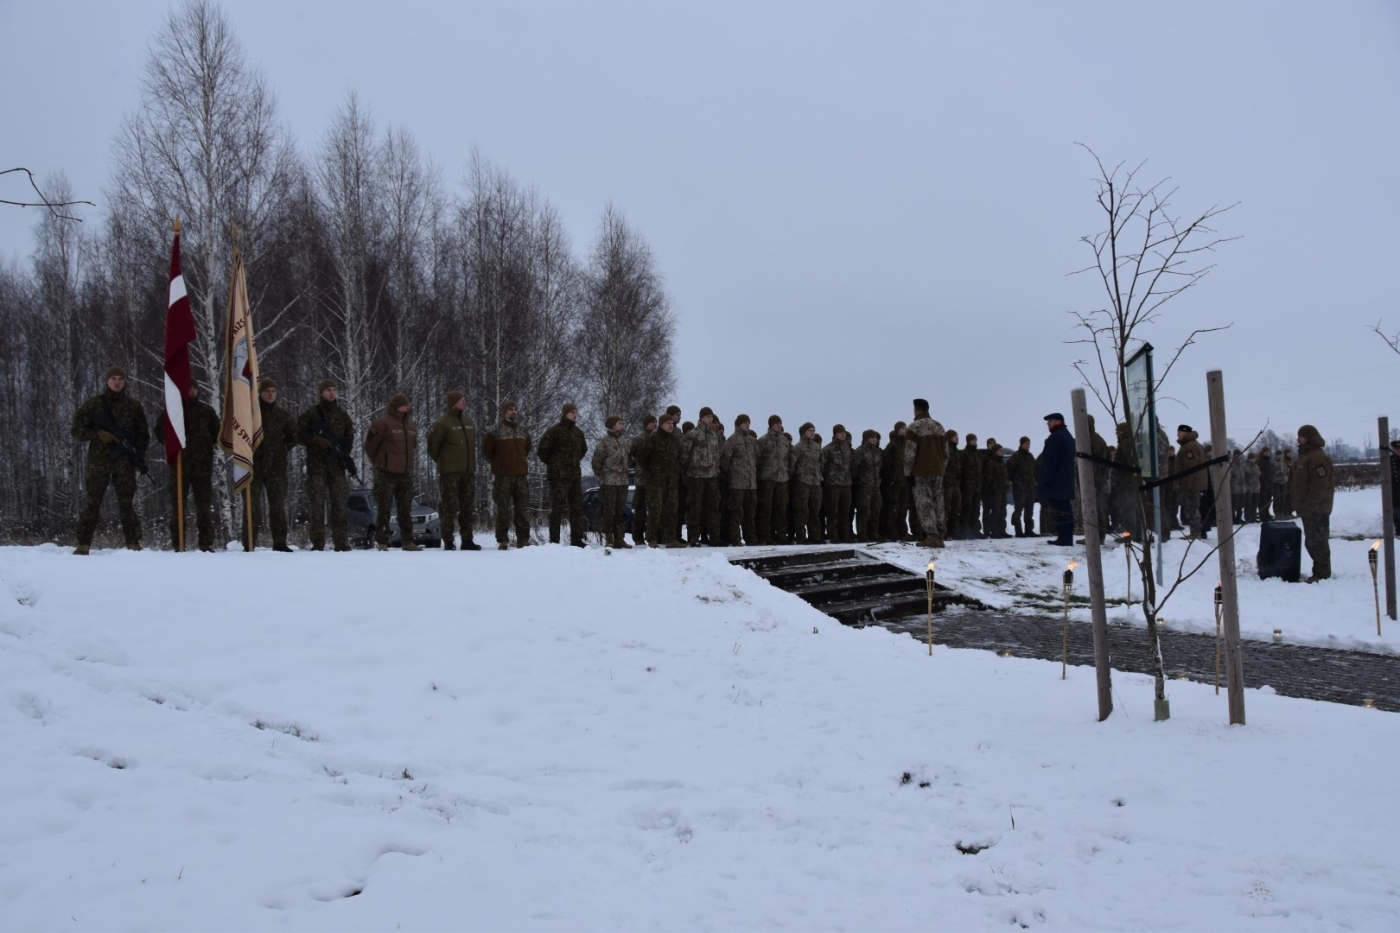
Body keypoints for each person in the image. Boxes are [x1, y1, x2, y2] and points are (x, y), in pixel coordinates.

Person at [72, 365, 150, 554]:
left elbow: (142, 435)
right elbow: (76, 430)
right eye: (113, 378)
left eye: (120, 379)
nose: (117, 382)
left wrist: (139, 458)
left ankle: (133, 542)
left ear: (125, 382)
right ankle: (83, 543)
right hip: (98, 462)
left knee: (126, 503)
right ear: (107, 381)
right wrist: (97, 434)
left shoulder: (133, 406)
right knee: (93, 502)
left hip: (124, 462)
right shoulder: (94, 404)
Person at [154, 383, 220, 551]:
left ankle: (205, 543)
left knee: (203, 507)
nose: (191, 390)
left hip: (202, 467)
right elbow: (159, 432)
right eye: (188, 387)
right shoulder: (173, 411)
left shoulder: (207, 411)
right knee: (178, 506)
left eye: (194, 388)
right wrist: (171, 441)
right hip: (179, 465)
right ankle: (178, 543)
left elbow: (217, 434)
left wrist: (204, 447)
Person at [297, 378, 355, 552]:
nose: (332, 393)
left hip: (336, 468)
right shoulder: (312, 414)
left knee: (339, 504)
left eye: (334, 390)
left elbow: (348, 438)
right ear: (321, 393)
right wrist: (316, 440)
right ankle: (318, 542)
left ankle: (341, 542)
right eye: (328, 390)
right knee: (317, 505)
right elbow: (298, 434)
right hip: (317, 467)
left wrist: (343, 455)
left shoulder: (342, 415)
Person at [364, 392, 420, 551]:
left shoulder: (411, 425)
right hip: (386, 473)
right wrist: (380, 462)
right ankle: (382, 541)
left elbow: (413, 446)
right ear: (396, 407)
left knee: (405, 508)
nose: (408, 407)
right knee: (384, 507)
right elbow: (370, 446)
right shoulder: (381, 423)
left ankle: (408, 541)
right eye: (405, 404)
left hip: (405, 473)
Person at [426, 390, 480, 551]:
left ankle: (467, 539)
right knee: (449, 507)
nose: (464, 402)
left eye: (464, 399)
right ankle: (448, 540)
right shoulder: (442, 423)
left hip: (468, 473)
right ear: (453, 402)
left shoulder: (468, 421)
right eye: (461, 400)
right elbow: (432, 447)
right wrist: (445, 462)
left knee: (467, 507)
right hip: (450, 474)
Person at [251, 377, 297, 552]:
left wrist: (281, 448)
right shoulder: (251, 415)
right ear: (260, 393)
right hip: (253, 467)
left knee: (277, 506)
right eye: (267, 391)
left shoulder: (283, 415)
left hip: (276, 469)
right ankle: (249, 541)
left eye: (273, 391)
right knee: (252, 507)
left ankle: (279, 542)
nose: (270, 394)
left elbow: (294, 436)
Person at [484, 400, 532, 549]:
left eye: (515, 409)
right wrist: (499, 465)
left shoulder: (523, 430)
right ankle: (503, 540)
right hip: (503, 476)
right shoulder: (495, 431)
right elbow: (487, 451)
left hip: (521, 476)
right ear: (505, 412)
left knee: (522, 509)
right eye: (510, 409)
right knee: (503, 509)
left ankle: (523, 539)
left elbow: (527, 448)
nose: (514, 412)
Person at [537, 403, 587, 546]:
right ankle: (554, 540)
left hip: (575, 476)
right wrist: (555, 464)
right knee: (557, 508)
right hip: (558, 477)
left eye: (576, 412)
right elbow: (542, 451)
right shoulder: (554, 432)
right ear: (565, 413)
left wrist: (572, 463)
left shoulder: (578, 433)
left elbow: (583, 450)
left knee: (576, 507)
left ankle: (577, 539)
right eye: (572, 412)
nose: (575, 415)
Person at [1293, 425, 1335, 583]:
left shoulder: (1316, 457)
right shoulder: (1306, 456)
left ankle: (1322, 574)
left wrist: (1310, 505)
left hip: (1316, 509)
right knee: (1312, 541)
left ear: (1309, 437)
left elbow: (1320, 485)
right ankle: (1320, 572)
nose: (1298, 439)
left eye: (1301, 436)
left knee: (1317, 542)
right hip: (1310, 508)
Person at [904, 398, 947, 548]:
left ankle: (932, 536)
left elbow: (910, 453)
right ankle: (940, 534)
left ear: (916, 409)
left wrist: (907, 473)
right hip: (938, 471)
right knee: (938, 503)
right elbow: (946, 453)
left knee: (925, 503)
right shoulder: (939, 427)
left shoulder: (914, 427)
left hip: (921, 472)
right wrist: (941, 468)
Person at [681, 406, 723, 546]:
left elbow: (717, 455)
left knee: (713, 507)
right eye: (708, 416)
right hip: (696, 476)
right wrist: (690, 469)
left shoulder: (713, 436)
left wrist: (715, 469)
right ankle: (693, 538)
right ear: (701, 417)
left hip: (711, 476)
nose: (710, 419)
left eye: (712, 416)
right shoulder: (693, 434)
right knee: (695, 507)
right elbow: (684, 455)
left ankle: (714, 537)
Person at [639, 414, 683, 547]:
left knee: (671, 510)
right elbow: (642, 458)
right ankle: (652, 538)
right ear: (661, 424)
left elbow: (679, 456)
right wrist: (653, 470)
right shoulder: (652, 438)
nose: (671, 425)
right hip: (655, 480)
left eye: (672, 423)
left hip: (671, 480)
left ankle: (670, 538)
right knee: (655, 509)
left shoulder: (674, 440)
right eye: (668, 423)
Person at [1034, 412, 1076, 546]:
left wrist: (1046, 479)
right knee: (1066, 509)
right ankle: (1066, 537)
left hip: (1057, 481)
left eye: (1050, 421)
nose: (1048, 424)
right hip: (1064, 480)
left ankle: (1064, 538)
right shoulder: (1067, 435)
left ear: (1058, 422)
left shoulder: (1056, 437)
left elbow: (1050, 460)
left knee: (1060, 510)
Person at [591, 415, 632, 549]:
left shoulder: (624, 442)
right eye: (619, 423)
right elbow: (596, 461)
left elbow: (629, 458)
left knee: (620, 512)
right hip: (609, 483)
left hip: (622, 482)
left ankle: (619, 539)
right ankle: (609, 538)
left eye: (622, 423)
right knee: (609, 512)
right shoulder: (604, 442)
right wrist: (603, 475)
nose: (622, 425)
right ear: (612, 425)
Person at [721, 414, 759, 547]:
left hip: (751, 484)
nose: (747, 425)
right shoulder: (732, 441)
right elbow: (725, 460)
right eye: (744, 423)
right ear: (738, 425)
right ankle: (735, 538)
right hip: (737, 483)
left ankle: (751, 538)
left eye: (748, 422)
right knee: (736, 513)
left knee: (750, 513)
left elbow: (757, 459)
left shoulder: (752, 441)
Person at [756, 415, 792, 544]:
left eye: (780, 423)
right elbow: (758, 460)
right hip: (767, 479)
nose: (778, 425)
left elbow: (789, 458)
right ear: (770, 425)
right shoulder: (763, 441)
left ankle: (781, 535)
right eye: (776, 423)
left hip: (782, 479)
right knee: (766, 508)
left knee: (781, 509)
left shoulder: (784, 441)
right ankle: (766, 535)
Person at [1173, 425, 1209, 541]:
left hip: (1192, 484)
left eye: (1179, 432)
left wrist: (1186, 485)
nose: (1177, 434)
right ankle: (1196, 532)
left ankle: (1195, 533)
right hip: (1194, 483)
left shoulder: (1189, 447)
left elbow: (1190, 468)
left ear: (1185, 433)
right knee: (1192, 509)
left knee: (1192, 509)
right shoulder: (1190, 445)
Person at [790, 422, 823, 544]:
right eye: (810, 430)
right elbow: (792, 466)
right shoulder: (798, 448)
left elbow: (821, 463)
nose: (812, 433)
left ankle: (815, 536)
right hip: (802, 483)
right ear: (804, 432)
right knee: (802, 511)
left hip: (815, 482)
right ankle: (801, 536)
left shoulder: (817, 448)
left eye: (814, 430)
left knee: (815, 511)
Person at [820, 425, 854, 543]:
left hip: (846, 484)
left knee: (845, 511)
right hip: (832, 485)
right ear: (835, 434)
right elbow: (822, 467)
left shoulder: (846, 449)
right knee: (832, 511)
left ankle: (844, 534)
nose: (843, 434)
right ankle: (833, 535)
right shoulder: (828, 449)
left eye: (844, 432)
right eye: (840, 432)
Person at [629, 414, 657, 546]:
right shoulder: (638, 438)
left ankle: (653, 535)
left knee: (654, 509)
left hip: (655, 479)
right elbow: (629, 454)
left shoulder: (656, 437)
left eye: (656, 422)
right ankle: (638, 536)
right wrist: (634, 465)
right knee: (640, 509)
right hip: (641, 479)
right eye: (652, 422)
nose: (654, 424)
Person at [852, 429, 884, 543]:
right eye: (872, 437)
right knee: (864, 510)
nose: (874, 439)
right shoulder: (860, 451)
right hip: (863, 486)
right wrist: (859, 480)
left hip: (875, 486)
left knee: (876, 509)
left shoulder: (878, 452)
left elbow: (880, 468)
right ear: (866, 438)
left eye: (875, 437)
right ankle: (862, 533)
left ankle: (874, 532)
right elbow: (854, 468)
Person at [880, 422, 908, 541]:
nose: (904, 430)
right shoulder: (892, 446)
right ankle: (892, 532)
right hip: (894, 482)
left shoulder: (907, 446)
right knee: (893, 509)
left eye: (905, 428)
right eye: (902, 428)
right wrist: (890, 479)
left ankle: (903, 532)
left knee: (903, 509)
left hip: (905, 482)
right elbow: (886, 464)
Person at [1006, 436, 1036, 537]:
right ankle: (1018, 530)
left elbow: (1034, 469)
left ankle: (1029, 529)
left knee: (1029, 509)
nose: (1028, 446)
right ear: (1021, 444)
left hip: (1029, 487)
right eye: (1026, 444)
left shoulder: (1030, 456)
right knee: (1018, 509)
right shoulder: (1016, 456)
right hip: (1019, 487)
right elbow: (1009, 469)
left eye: (1029, 443)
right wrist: (1012, 481)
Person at [982, 441, 1009, 538]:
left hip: (1002, 491)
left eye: (1002, 450)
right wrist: (989, 490)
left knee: (1002, 512)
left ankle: (1001, 530)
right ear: (995, 452)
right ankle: (993, 531)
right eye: (1000, 450)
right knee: (995, 512)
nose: (1002, 452)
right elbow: (988, 479)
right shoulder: (992, 463)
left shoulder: (1001, 463)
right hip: (995, 492)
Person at [1257, 446, 1276, 522]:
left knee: (1268, 500)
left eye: (1268, 452)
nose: (1267, 453)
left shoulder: (1268, 461)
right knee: (1263, 500)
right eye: (1266, 452)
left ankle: (1266, 514)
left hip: (1269, 483)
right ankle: (1262, 515)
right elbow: (1260, 473)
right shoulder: (1260, 461)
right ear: (1263, 452)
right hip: (1263, 483)